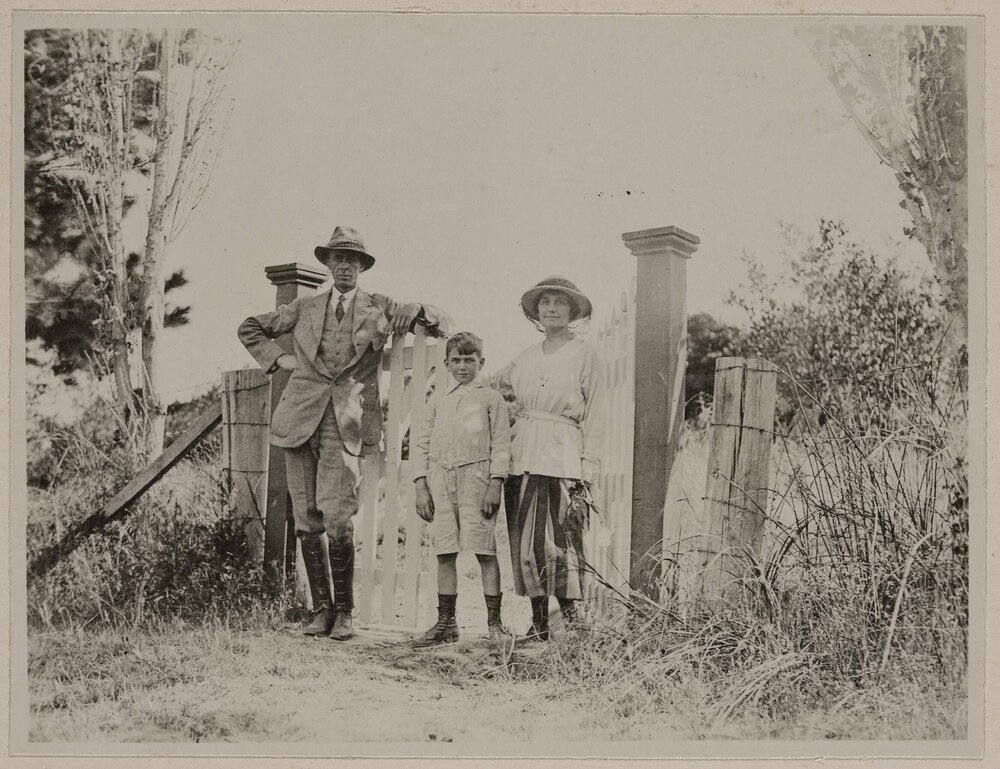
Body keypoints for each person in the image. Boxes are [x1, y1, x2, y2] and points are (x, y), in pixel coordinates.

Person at [237, 226, 441, 641]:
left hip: (345, 422)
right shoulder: (304, 307)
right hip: (297, 419)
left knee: (337, 514)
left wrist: (420, 306)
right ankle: (321, 611)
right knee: (306, 516)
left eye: (353, 261)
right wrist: (278, 359)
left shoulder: (379, 306)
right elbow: (250, 328)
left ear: (362, 267)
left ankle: (345, 613)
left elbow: (441, 324)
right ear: (327, 265)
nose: (345, 266)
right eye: (337, 259)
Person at [495, 276, 603, 642]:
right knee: (526, 541)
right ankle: (538, 622)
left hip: (561, 453)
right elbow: (493, 388)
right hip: (524, 452)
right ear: (537, 312)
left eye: (559, 302)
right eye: (545, 303)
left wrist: (588, 467)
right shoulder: (526, 355)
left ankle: (570, 621)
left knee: (560, 539)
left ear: (572, 311)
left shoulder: (585, 353)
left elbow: (597, 415)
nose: (552, 308)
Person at [409, 332, 513, 650]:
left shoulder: (490, 399)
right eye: (456, 360)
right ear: (446, 364)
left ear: (481, 362)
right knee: (445, 552)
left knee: (484, 550)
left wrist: (496, 483)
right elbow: (421, 444)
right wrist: (420, 486)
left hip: (477, 478)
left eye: (470, 359)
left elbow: (501, 444)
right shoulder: (439, 401)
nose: (463, 366)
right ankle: (445, 624)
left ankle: (494, 624)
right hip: (441, 480)